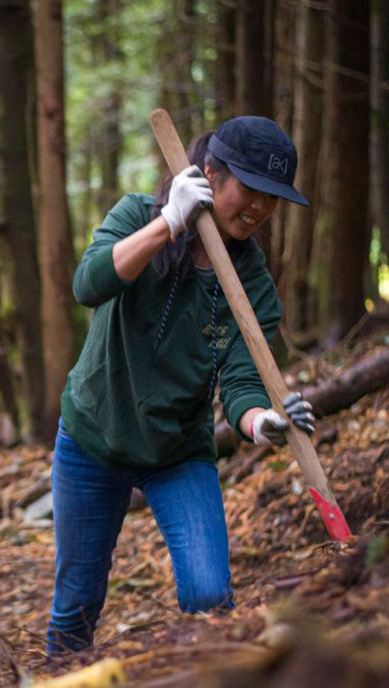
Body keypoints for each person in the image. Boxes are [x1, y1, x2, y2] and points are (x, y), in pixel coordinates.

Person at [46, 116, 318, 655]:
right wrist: (167, 222)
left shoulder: (253, 282)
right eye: (252, 188)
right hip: (94, 437)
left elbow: (243, 382)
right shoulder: (137, 215)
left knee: (209, 596)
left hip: (177, 451)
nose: (261, 208)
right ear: (211, 174)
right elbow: (88, 283)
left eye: (273, 197)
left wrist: (262, 422)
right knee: (75, 605)